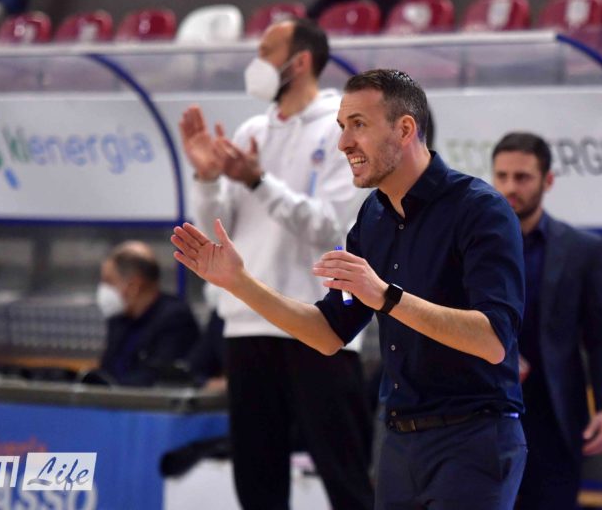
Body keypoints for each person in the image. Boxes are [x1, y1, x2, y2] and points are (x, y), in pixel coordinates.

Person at [172, 68, 527, 510]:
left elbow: (493, 340)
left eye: (358, 125)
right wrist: (239, 283)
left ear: (405, 129)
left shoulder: (480, 210)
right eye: (342, 126)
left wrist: (386, 296)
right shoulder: (372, 219)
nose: (343, 143)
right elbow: (328, 332)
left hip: (473, 437)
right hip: (399, 443)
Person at [178, 18, 374, 510]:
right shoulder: (251, 131)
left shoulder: (342, 129)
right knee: (257, 481)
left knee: (346, 478)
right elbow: (217, 232)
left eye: (266, 51)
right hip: (246, 326)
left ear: (300, 61)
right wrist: (207, 178)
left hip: (320, 325)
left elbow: (331, 227)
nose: (256, 61)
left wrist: (259, 181)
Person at [491, 132, 602, 510]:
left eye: (522, 177)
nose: (510, 187)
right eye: (502, 176)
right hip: (487, 413)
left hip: (555, 415)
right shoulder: (475, 245)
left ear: (547, 180)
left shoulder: (581, 250)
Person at [93, 240, 201, 386]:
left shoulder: (175, 319)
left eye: (109, 281)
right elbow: (106, 370)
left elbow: (159, 379)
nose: (103, 289)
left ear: (134, 285)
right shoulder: (119, 318)